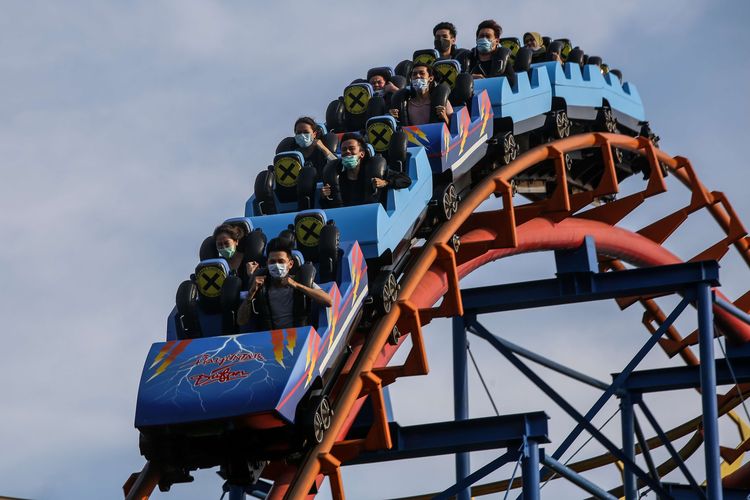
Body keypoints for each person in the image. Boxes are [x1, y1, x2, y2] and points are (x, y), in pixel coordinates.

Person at [237, 237, 332, 329]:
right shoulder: (260, 286)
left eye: (281, 261)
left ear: (290, 264)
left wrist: (297, 285)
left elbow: (328, 301)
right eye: (272, 262)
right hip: (272, 338)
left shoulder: (300, 281)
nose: (277, 265)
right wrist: (251, 293)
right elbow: (241, 321)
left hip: (299, 335)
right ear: (267, 264)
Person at [320, 133, 412, 208]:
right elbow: (327, 207)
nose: (347, 151)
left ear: (362, 154)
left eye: (351, 148)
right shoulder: (336, 175)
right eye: (344, 150)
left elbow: (406, 180)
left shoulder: (374, 169)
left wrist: (386, 182)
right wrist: (324, 197)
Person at [388, 63, 453, 126]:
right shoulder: (405, 105)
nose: (418, 76)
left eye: (422, 73)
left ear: (430, 78)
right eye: (414, 74)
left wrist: (444, 117)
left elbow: (454, 129)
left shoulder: (442, 102)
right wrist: (393, 118)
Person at [468, 19, 516, 86]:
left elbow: (511, 81)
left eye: (488, 36)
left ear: (497, 41)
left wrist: (485, 80)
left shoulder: (502, 60)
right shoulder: (469, 60)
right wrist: (469, 79)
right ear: (476, 39)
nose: (484, 39)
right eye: (481, 36)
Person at [213, 223, 251, 287]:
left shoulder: (248, 259)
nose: (224, 247)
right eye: (220, 244)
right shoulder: (216, 265)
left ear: (236, 241)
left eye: (226, 243)